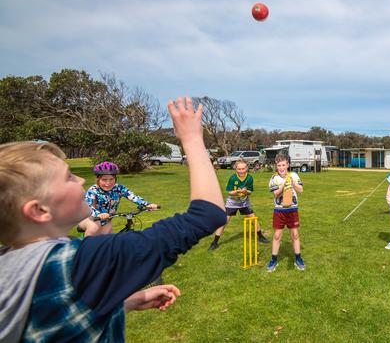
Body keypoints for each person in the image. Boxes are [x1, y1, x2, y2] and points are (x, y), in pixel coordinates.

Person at [0, 97, 226, 342]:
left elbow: (62, 317)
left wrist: (124, 303)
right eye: (67, 177)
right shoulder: (84, 262)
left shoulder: (11, 265)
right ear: (39, 211)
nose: (81, 180)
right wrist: (192, 138)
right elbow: (208, 214)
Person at [78, 161, 159, 236]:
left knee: (112, 239)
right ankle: (85, 250)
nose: (108, 183)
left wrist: (147, 204)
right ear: (98, 179)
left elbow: (133, 197)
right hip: (89, 219)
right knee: (94, 227)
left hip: (106, 220)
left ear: (115, 179)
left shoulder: (119, 188)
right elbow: (88, 206)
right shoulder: (93, 190)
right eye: (104, 180)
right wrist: (99, 214)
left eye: (111, 179)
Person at [208, 159, 270, 250]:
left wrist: (246, 191)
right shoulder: (233, 178)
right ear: (236, 169)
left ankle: (261, 237)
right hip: (232, 202)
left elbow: (250, 191)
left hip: (244, 202)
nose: (241, 171)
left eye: (243, 168)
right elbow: (229, 192)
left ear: (247, 168)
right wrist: (237, 192)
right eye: (239, 169)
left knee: (253, 218)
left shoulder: (249, 178)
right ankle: (215, 242)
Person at [266, 154, 304, 272]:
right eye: (279, 165)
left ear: (288, 165)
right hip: (279, 210)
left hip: (292, 210)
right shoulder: (274, 178)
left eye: (283, 165)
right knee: (277, 235)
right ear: (276, 166)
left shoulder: (294, 175)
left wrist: (292, 183)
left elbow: (300, 190)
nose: (281, 167)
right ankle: (273, 259)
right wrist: (283, 185)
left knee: (295, 234)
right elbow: (276, 193)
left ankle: (298, 258)